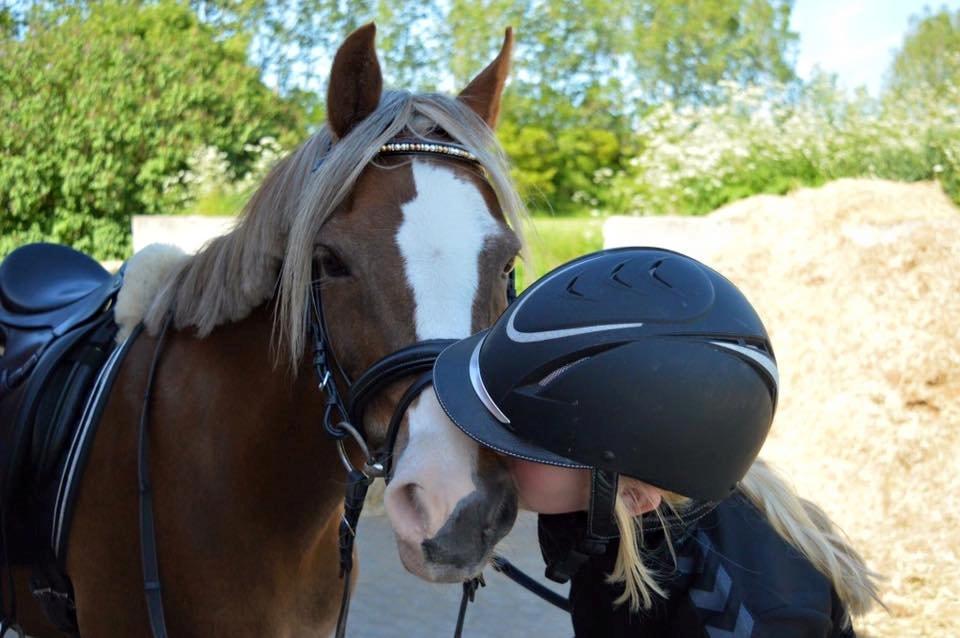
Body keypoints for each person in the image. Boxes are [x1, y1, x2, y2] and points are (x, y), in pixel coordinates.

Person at [433, 247, 880, 637]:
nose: (484, 448)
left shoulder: (749, 618)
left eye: (517, 442)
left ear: (632, 496)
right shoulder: (612, 531)